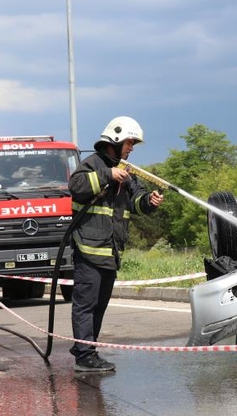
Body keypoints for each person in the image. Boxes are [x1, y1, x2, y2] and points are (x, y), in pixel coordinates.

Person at [67, 116, 164, 372]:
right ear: (117, 139)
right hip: (88, 250)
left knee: (99, 306)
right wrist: (107, 174)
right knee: (85, 305)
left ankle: (88, 351)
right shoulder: (92, 165)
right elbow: (76, 186)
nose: (132, 148)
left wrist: (149, 202)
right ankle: (84, 355)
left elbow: (136, 202)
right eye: (130, 143)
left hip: (110, 252)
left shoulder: (127, 172)